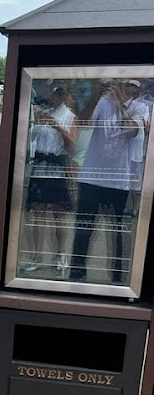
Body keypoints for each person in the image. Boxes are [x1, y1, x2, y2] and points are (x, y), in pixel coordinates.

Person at [70, 80, 141, 284]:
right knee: (83, 228)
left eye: (131, 86)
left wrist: (120, 103)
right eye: (124, 84)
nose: (126, 88)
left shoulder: (140, 107)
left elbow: (132, 130)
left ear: (138, 88)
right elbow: (83, 122)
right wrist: (96, 95)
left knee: (118, 232)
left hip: (119, 180)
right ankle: (76, 273)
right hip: (92, 176)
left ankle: (119, 277)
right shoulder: (102, 101)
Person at [23, 86, 77, 273]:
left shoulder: (70, 117)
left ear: (65, 96)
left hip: (56, 167)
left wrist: (58, 127)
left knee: (58, 214)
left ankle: (61, 255)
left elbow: (72, 147)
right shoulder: (45, 114)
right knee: (37, 213)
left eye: (60, 94)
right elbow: (31, 138)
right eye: (54, 94)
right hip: (40, 165)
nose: (55, 97)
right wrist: (37, 123)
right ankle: (36, 256)